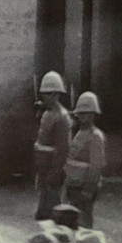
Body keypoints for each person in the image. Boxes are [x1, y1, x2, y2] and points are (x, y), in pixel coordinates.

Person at [32, 72, 72, 220]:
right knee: (43, 211)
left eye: (49, 94)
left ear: (57, 95)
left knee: (52, 212)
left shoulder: (62, 118)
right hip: (43, 168)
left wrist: (54, 175)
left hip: (52, 170)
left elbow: (62, 150)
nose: (45, 97)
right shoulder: (47, 113)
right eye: (44, 94)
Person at [62, 92, 106, 226]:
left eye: (86, 113)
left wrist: (88, 190)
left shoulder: (95, 136)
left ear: (93, 114)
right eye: (80, 113)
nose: (82, 117)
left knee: (84, 222)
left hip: (84, 185)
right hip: (73, 184)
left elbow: (96, 167)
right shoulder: (79, 133)